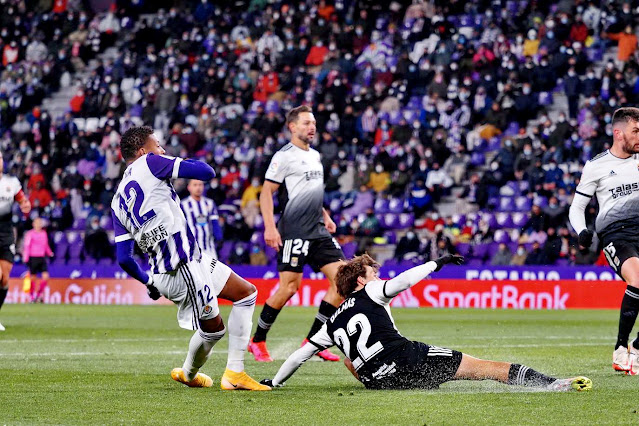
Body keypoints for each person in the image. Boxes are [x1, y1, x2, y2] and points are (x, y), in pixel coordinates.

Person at [261, 254, 592, 392]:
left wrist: (275, 383)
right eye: (373, 272)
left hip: (379, 381)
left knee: (350, 358)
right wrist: (437, 262)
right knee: (483, 367)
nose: (379, 275)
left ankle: (393, 378)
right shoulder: (373, 291)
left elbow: (299, 356)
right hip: (406, 359)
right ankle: (550, 383)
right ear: (362, 280)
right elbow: (403, 282)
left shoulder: (331, 322)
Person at [111, 126, 269, 390]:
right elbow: (207, 172)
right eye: (157, 145)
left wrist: (149, 282)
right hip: (181, 267)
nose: (161, 150)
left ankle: (234, 373)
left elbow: (124, 258)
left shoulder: (117, 201)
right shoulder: (150, 163)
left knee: (246, 293)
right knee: (214, 330)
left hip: (184, 262)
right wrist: (174, 162)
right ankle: (189, 373)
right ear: (142, 151)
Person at [249, 105, 345, 362]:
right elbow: (267, 193)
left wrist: (325, 215)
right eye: (305, 123)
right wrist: (270, 227)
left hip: (318, 229)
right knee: (290, 288)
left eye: (313, 123)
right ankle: (257, 340)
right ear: (292, 127)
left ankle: (314, 341)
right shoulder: (284, 157)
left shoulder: (315, 156)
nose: (311, 127)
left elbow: (311, 191)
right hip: (294, 231)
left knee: (343, 281)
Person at [569, 107, 639, 375]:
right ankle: (621, 349)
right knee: (638, 278)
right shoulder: (596, 166)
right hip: (616, 234)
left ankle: (637, 346)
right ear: (618, 132)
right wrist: (582, 231)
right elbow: (577, 207)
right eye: (635, 131)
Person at [0, 151, 31, 330]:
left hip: (6, 234)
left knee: (4, 280)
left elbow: (23, 202)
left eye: (1, 159)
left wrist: (25, 205)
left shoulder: (11, 183)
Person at [181, 179, 222, 259]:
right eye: (195, 185)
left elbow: (215, 223)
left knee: (213, 271)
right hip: (191, 249)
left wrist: (219, 237)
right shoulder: (183, 205)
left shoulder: (209, 203)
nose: (198, 188)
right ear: (189, 187)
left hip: (209, 248)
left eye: (200, 185)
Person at [22, 217, 53, 303]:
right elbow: (27, 246)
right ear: (33, 224)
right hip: (33, 257)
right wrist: (26, 258)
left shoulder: (44, 233)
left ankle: (39, 294)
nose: (39, 224)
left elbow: (46, 245)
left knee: (46, 277)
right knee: (33, 278)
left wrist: (50, 253)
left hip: (42, 257)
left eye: (40, 223)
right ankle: (32, 296)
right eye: (37, 223)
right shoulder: (30, 234)